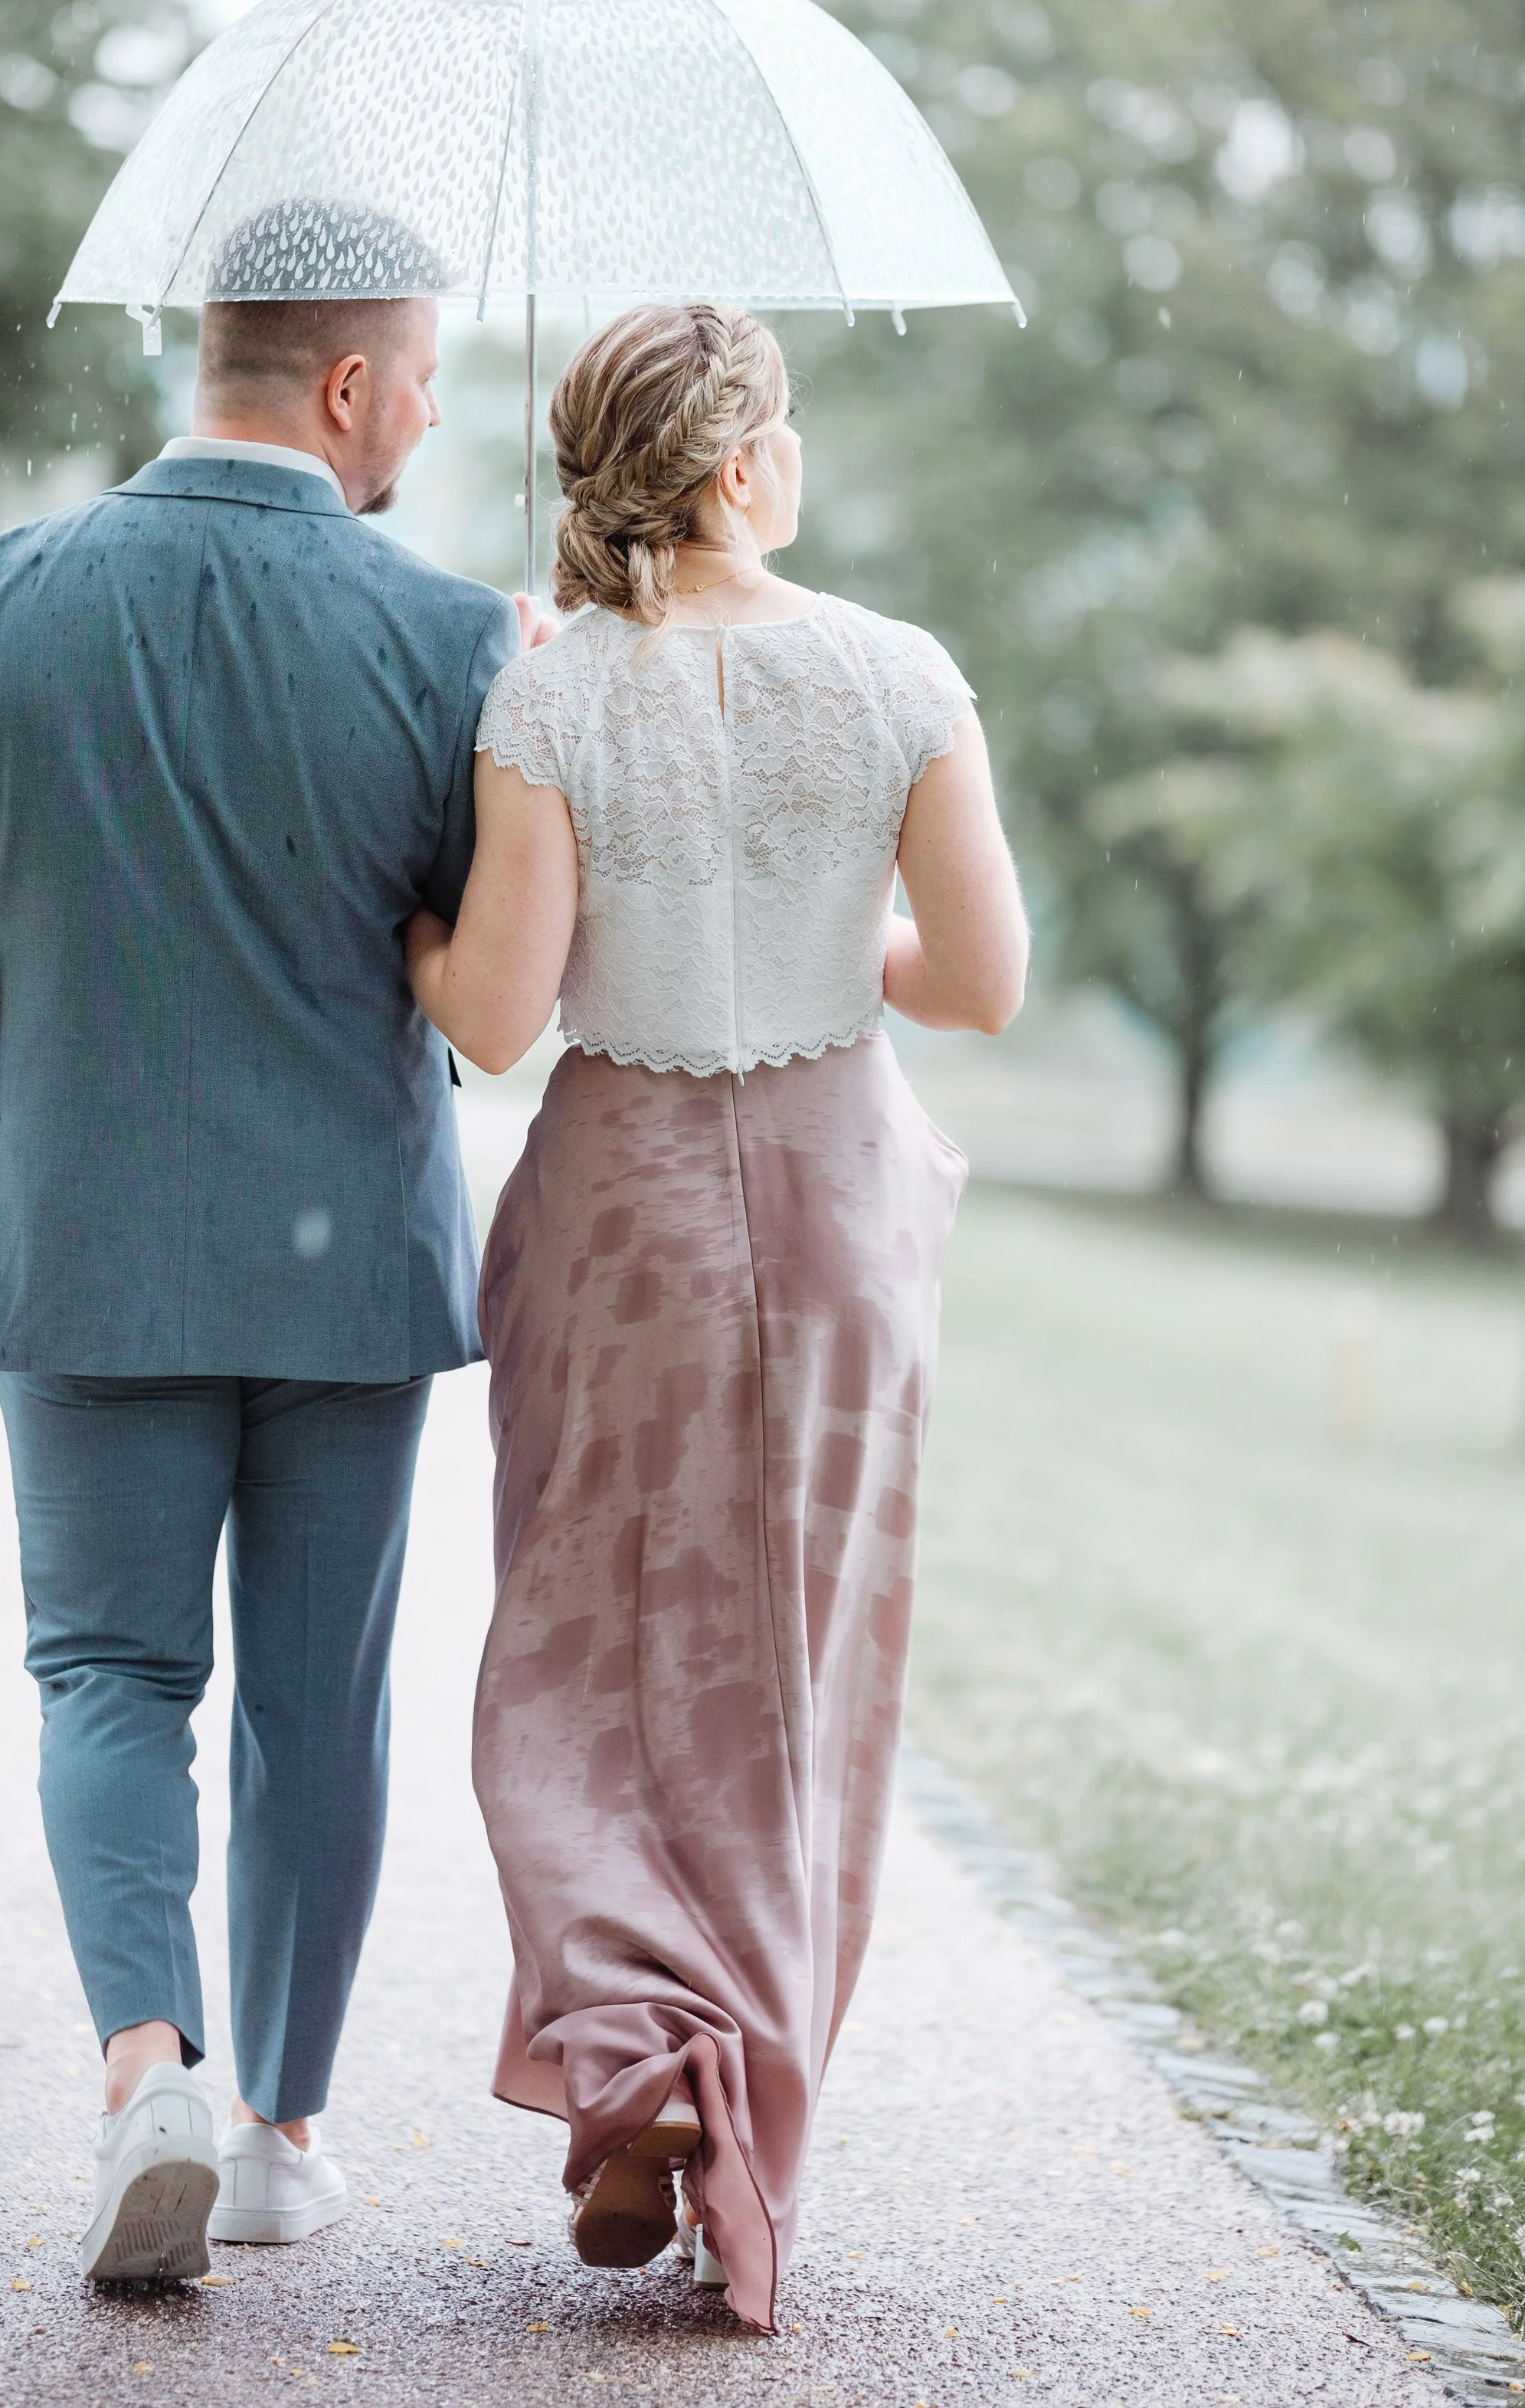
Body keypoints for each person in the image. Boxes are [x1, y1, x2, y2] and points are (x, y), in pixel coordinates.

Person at [0, 201, 525, 2282]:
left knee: (107, 1670)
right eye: (419, 376)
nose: (424, 413)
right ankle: (274, 2131)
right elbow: (476, 974)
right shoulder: (446, 639)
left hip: (82, 1241)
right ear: (345, 385)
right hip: (349, 1269)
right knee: (315, 1704)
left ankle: (144, 2059)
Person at [405, 301, 1029, 2333]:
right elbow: (978, 981)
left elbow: (497, 1019)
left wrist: (410, 929)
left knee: (585, 1645)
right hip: (839, 1206)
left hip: (618, 1210)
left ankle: (624, 2066)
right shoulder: (897, 675)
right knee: (795, 1662)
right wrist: (833, 898)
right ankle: (732, 2109)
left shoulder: (552, 695)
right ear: (746, 457)